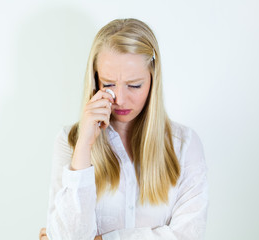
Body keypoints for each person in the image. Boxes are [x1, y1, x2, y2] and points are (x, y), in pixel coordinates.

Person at [39, 18, 208, 240]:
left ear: (153, 79)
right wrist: (84, 148)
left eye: (134, 85)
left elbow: (188, 235)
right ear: (96, 79)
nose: (119, 99)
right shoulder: (69, 141)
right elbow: (67, 237)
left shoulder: (184, 145)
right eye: (108, 84)